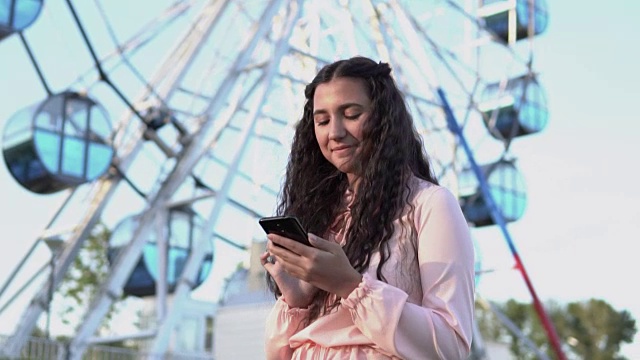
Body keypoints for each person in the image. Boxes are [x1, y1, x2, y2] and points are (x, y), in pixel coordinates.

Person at [261, 56, 475, 359]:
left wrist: (349, 285)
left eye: (351, 114)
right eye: (321, 121)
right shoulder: (323, 217)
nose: (334, 132)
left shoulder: (429, 205)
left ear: (384, 119)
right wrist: (296, 301)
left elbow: (450, 347)